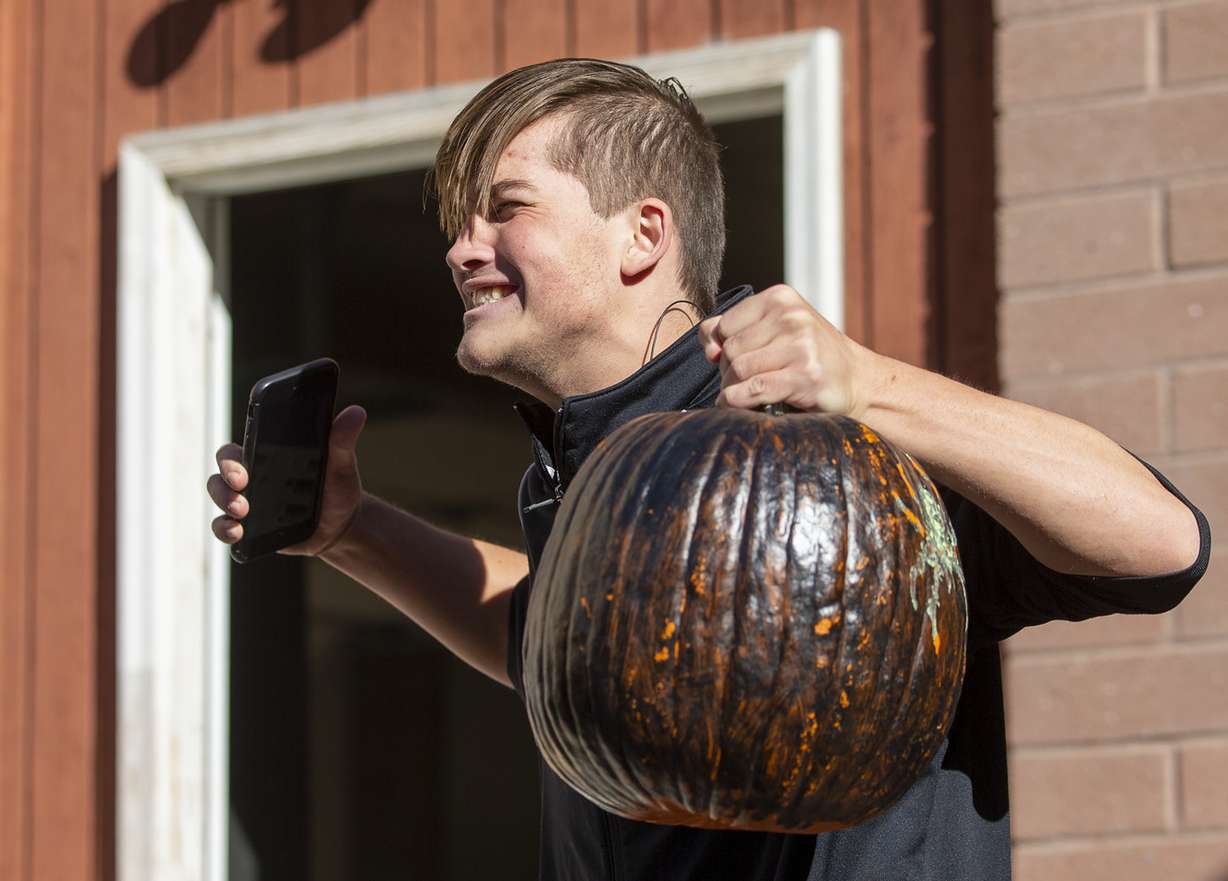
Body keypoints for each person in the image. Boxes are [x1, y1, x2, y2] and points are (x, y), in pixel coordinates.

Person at [206, 58, 1211, 881]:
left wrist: (872, 385)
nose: (462, 249)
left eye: (502, 208)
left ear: (642, 234)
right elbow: (549, 636)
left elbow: (1160, 541)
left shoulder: (829, 444)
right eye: (458, 224)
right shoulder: (583, 465)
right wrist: (352, 528)